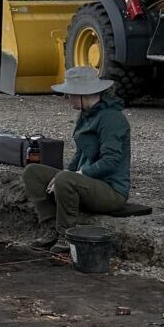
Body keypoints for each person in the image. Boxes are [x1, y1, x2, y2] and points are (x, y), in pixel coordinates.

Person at [23, 66, 132, 252]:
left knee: (66, 179)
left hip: (111, 191)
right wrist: (68, 172)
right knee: (32, 173)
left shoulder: (112, 119)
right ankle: (51, 227)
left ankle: (67, 235)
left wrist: (77, 174)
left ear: (84, 94)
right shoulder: (86, 114)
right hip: (87, 183)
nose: (67, 99)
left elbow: (111, 161)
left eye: (70, 94)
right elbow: (81, 152)